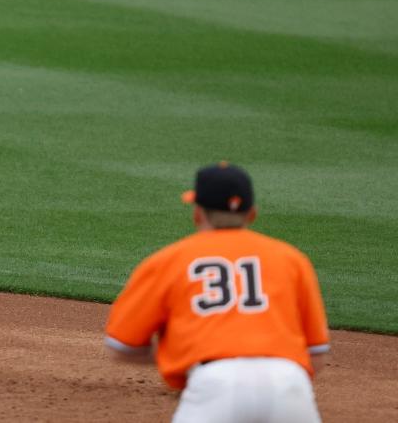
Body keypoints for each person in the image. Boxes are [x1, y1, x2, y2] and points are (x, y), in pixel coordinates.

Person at [104, 162, 330, 422]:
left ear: (198, 213)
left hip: (215, 384)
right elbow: (317, 353)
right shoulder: (292, 259)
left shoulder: (168, 260)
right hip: (290, 384)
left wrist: (179, 354)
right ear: (252, 214)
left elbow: (120, 346)